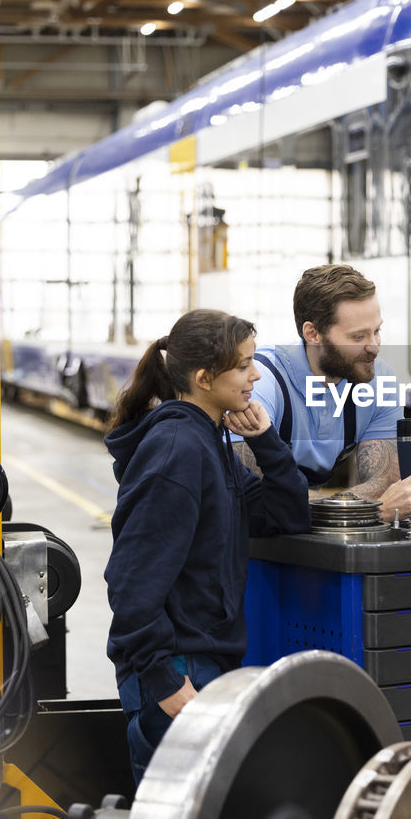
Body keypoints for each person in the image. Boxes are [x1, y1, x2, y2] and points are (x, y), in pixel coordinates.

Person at [103, 308, 309, 783]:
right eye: (243, 365)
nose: (256, 373)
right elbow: (131, 582)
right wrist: (165, 683)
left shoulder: (208, 442)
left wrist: (265, 441)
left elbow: (285, 516)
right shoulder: (177, 449)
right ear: (202, 378)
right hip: (177, 670)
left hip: (201, 663)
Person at [240, 264, 411, 519]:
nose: (374, 347)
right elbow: (248, 494)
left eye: (377, 331)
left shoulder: (381, 379)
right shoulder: (260, 383)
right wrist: (371, 511)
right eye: (357, 337)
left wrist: (355, 510)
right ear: (312, 333)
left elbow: (387, 484)